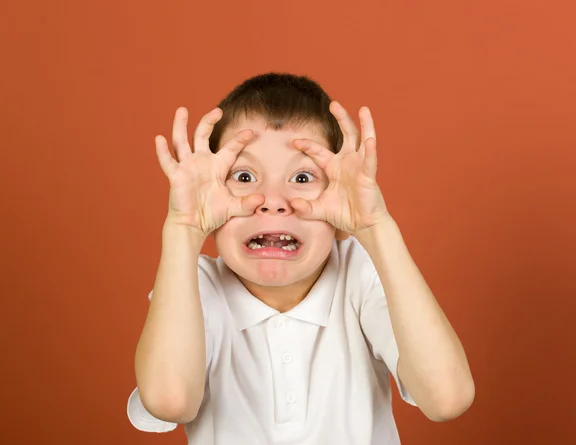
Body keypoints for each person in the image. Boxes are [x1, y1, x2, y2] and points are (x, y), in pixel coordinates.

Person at [126, 72, 475, 444]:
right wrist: (182, 229)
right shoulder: (193, 287)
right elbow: (170, 401)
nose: (273, 200)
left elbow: (447, 397)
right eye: (243, 176)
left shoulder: (359, 276)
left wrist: (375, 227)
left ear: (341, 207)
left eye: (303, 178)